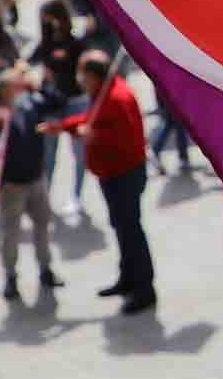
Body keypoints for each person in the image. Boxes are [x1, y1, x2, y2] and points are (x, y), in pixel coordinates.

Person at [46, 51, 152, 312]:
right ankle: (128, 278)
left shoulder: (117, 97)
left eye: (83, 74)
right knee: (122, 229)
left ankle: (144, 289)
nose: (80, 80)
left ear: (94, 76)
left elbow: (126, 138)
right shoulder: (104, 93)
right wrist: (66, 126)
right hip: (111, 174)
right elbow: (92, 120)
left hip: (124, 175)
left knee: (131, 231)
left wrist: (94, 136)